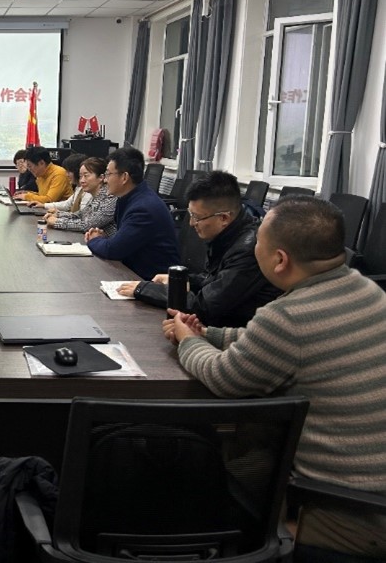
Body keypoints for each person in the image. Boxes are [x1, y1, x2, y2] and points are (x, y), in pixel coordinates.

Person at [163, 196, 386, 559]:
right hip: (374, 492)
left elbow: (223, 377)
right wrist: (209, 334)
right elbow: (277, 343)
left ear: (280, 260)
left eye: (258, 245)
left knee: (199, 463)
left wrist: (188, 341)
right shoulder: (366, 291)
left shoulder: (288, 316)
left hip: (345, 512)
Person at [119, 171, 280, 327]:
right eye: (190, 214)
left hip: (235, 334)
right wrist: (181, 281)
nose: (191, 223)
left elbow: (205, 306)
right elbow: (214, 280)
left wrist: (145, 289)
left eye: (197, 217)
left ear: (223, 217)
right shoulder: (228, 234)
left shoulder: (249, 250)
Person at [84, 147, 179, 280]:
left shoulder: (143, 209)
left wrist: (94, 239)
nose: (105, 180)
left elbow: (113, 250)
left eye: (108, 174)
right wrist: (104, 239)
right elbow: (122, 241)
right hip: (134, 271)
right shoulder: (130, 198)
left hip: (152, 280)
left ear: (124, 177)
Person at [42, 156, 117, 235]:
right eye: (81, 176)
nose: (82, 180)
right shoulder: (96, 196)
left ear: (101, 177)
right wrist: (58, 215)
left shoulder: (109, 197)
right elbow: (80, 214)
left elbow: (87, 225)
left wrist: (57, 222)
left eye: (86, 176)